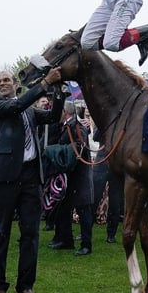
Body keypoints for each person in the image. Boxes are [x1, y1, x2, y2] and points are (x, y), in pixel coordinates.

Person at [0, 68, 63, 293]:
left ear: (15, 84)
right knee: (0, 232)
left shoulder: (29, 109)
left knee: (30, 233)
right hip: (4, 177)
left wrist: (58, 92)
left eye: (6, 80)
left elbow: (51, 117)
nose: (2, 84)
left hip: (31, 177)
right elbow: (16, 107)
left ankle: (26, 286)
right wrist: (43, 83)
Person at [48, 101, 94, 255]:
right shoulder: (66, 126)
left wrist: (55, 152)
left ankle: (86, 245)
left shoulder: (77, 126)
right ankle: (66, 240)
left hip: (79, 176)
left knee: (84, 211)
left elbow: (79, 149)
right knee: (64, 208)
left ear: (64, 112)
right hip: (68, 177)